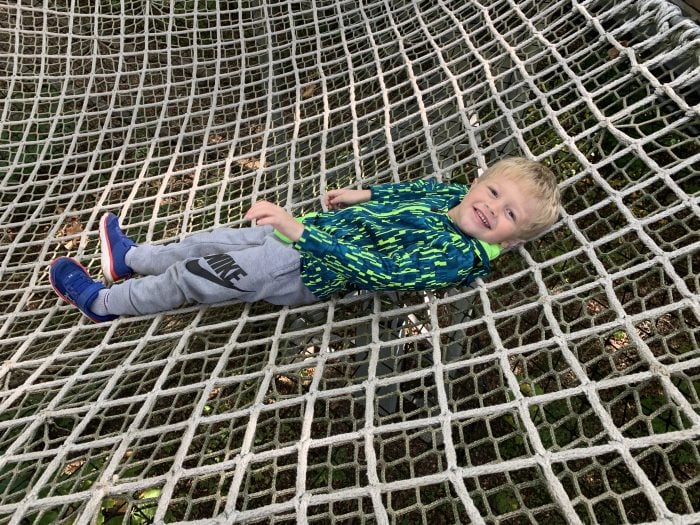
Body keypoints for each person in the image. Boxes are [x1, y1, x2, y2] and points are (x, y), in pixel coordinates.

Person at [49, 157, 560, 322]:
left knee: (193, 277)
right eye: (493, 191)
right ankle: (131, 258)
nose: (492, 207)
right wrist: (365, 194)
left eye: (509, 213)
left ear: (513, 240)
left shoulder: (457, 254)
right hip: (308, 235)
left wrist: (299, 233)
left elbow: (378, 271)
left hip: (304, 267)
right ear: (478, 181)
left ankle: (104, 301)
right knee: (209, 242)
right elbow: (416, 189)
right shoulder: (450, 195)